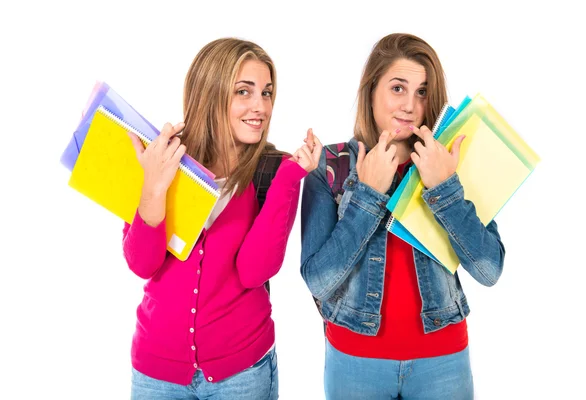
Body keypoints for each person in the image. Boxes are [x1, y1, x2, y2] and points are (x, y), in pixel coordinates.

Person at [300, 33, 505, 400]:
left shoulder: (449, 163)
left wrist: (444, 189)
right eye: (398, 88)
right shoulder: (330, 166)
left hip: (443, 360)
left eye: (423, 92)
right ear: (371, 89)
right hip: (355, 360)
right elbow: (318, 281)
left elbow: (489, 270)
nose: (410, 105)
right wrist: (368, 195)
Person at [124, 37, 322, 400]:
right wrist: (152, 189)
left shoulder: (273, 170)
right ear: (210, 92)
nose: (260, 106)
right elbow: (142, 262)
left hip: (242, 374)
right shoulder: (163, 159)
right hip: (156, 373)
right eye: (243, 92)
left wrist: (291, 177)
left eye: (266, 93)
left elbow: (254, 271)